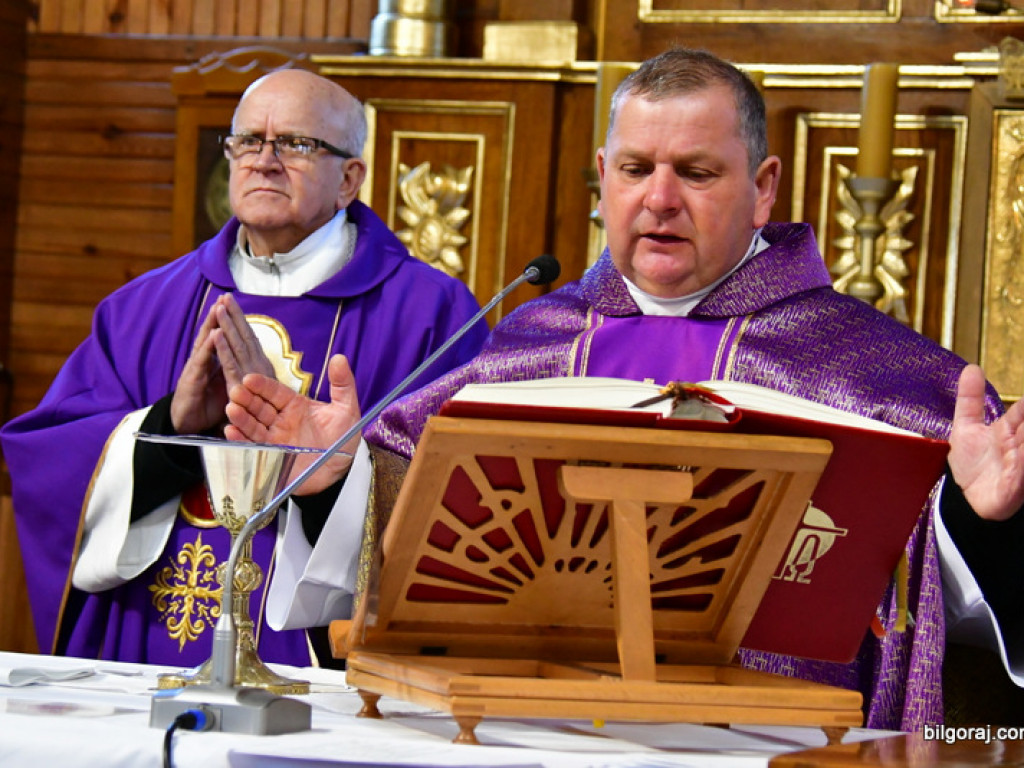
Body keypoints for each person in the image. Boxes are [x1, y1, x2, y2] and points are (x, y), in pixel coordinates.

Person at [223, 48, 1023, 729]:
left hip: (767, 744)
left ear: (765, 185)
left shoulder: (863, 365)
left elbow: (937, 587)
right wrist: (341, 478)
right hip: (531, 732)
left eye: (697, 173)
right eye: (637, 170)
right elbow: (419, 538)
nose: (660, 199)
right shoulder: (534, 341)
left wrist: (983, 518)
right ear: (604, 178)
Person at [0, 68, 489, 669]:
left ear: (350, 179)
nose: (265, 160)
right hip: (142, 644)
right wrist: (169, 429)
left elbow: (464, 497)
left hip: (314, 661)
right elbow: (47, 458)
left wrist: (334, 475)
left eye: (296, 144)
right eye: (248, 141)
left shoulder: (431, 317)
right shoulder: (146, 305)